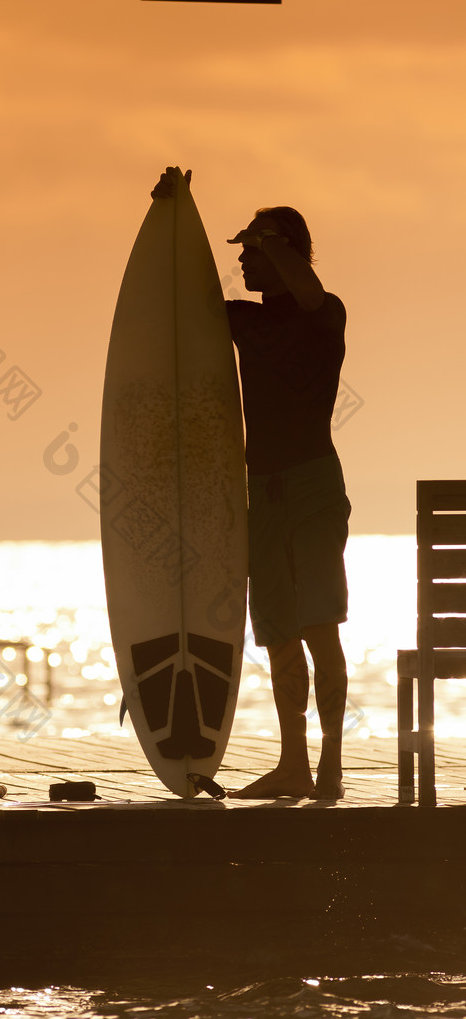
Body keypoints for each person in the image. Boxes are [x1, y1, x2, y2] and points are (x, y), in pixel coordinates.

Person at [152, 168, 351, 800]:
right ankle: (294, 763)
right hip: (260, 493)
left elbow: (309, 290)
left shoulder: (325, 315)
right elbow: (183, 294)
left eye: (253, 252)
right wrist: (172, 216)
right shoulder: (245, 320)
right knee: (280, 632)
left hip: (314, 488)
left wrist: (274, 242)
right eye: (243, 253)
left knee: (320, 628)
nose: (244, 263)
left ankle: (332, 765)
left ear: (283, 249)